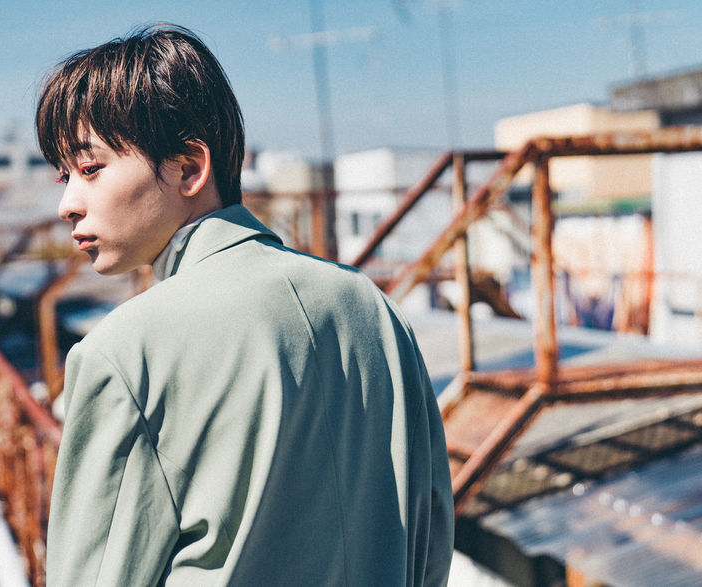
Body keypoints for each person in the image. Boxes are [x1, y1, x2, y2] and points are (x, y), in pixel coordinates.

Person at [36, 24, 453, 586]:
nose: (67, 203)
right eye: (64, 176)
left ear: (188, 167)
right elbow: (431, 539)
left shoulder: (122, 353)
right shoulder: (372, 308)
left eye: (90, 169)